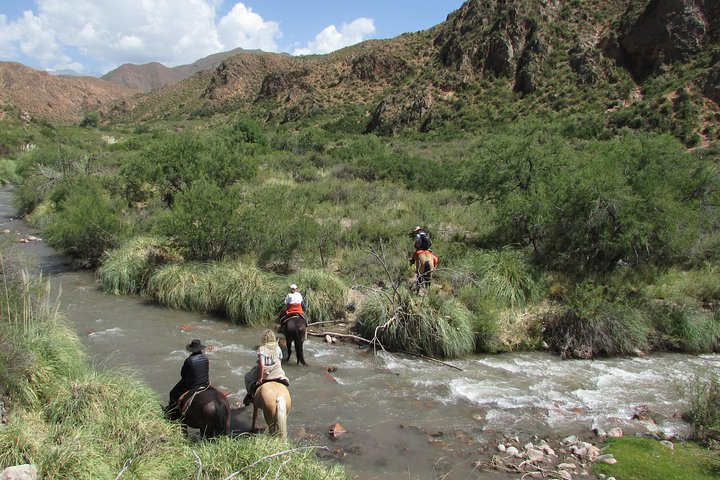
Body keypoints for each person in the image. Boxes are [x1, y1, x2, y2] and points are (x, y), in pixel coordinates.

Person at [243, 329, 289, 405]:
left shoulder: (262, 349)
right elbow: (280, 360)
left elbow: (262, 365)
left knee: (247, 376)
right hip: (277, 373)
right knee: (283, 375)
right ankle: (283, 380)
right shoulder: (278, 348)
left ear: (264, 339)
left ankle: (250, 395)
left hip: (265, 375)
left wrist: (260, 378)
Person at [168, 338, 210, 413]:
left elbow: (183, 374)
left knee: (172, 393)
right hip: (206, 383)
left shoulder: (189, 360)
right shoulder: (206, 358)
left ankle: (173, 413)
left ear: (192, 349)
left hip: (194, 385)